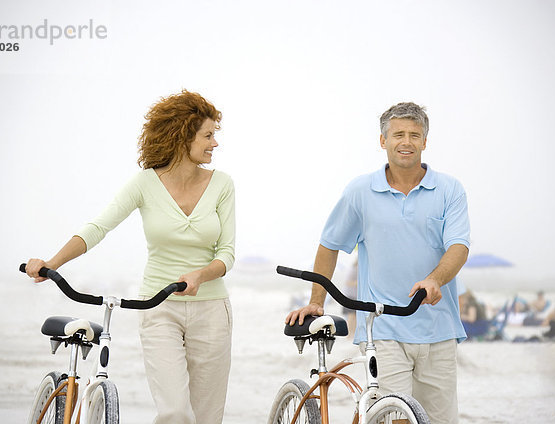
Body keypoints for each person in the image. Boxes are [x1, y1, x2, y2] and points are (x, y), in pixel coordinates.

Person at [25, 90, 235, 424]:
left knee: (208, 418)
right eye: (208, 135)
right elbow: (98, 227)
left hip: (212, 311)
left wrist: (199, 275)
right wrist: (53, 262)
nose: (215, 143)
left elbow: (226, 254)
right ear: (184, 136)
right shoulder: (144, 184)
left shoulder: (222, 184)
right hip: (158, 308)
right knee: (175, 413)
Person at [286, 102, 470, 424]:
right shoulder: (361, 191)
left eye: (415, 135)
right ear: (382, 140)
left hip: (438, 327)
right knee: (394, 419)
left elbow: (458, 246)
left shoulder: (449, 189)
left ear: (425, 142)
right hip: (382, 328)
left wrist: (435, 279)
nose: (406, 142)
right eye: (398, 134)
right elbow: (330, 245)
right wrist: (316, 302)